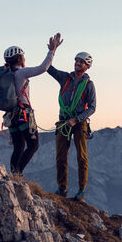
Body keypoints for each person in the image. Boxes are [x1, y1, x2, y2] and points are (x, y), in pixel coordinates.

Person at [0, 33, 62, 176]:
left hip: (10, 116)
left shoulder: (5, 74)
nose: (24, 59)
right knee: (33, 145)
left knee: (18, 147)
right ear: (19, 58)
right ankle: (18, 174)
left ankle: (14, 174)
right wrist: (52, 51)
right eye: (23, 57)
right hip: (23, 114)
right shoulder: (21, 73)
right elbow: (43, 68)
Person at [47, 51, 97, 201]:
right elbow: (48, 68)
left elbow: (92, 107)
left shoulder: (89, 85)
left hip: (79, 123)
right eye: (76, 61)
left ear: (87, 66)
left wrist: (76, 119)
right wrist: (52, 51)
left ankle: (81, 190)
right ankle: (62, 189)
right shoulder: (65, 78)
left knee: (81, 157)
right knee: (60, 156)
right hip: (63, 122)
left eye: (81, 62)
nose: (77, 63)